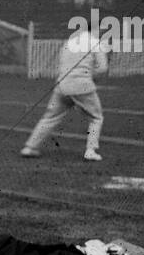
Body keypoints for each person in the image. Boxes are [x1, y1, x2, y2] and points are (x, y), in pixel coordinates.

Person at [21, 28, 107, 161]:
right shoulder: (95, 42)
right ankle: (91, 150)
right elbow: (102, 68)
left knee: (50, 117)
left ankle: (30, 147)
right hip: (82, 86)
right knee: (96, 118)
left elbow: (62, 63)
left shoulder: (69, 42)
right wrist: (92, 77)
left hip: (62, 84)